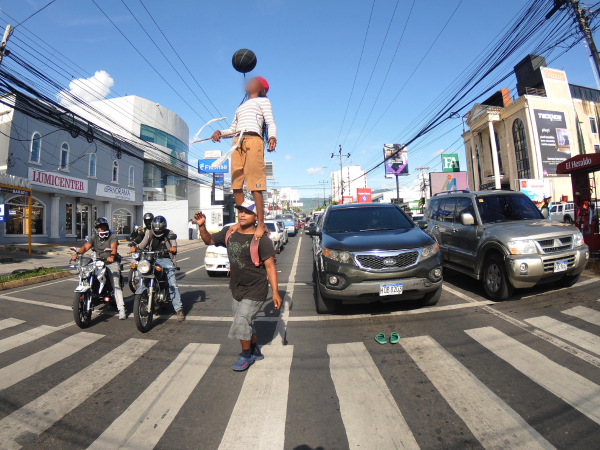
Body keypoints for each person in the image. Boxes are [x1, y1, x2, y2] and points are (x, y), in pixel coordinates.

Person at [195, 200, 282, 372]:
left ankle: (245, 355)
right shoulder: (230, 232)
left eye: (247, 212)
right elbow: (209, 240)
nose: (242, 214)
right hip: (237, 287)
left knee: (242, 321)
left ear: (256, 217)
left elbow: (271, 267)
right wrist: (202, 226)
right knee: (246, 322)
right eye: (240, 211)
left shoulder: (262, 240)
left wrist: (275, 293)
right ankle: (255, 348)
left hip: (256, 289)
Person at [211, 76, 277, 241]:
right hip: (237, 142)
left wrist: (272, 137)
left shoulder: (263, 102)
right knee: (236, 184)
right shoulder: (241, 106)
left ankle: (260, 223)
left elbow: (270, 122)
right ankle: (241, 221)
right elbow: (233, 128)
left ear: (261, 88)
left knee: (255, 184)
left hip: (254, 140)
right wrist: (220, 132)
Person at [131, 216, 185, 322]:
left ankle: (179, 309)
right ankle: (145, 296)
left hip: (165, 258)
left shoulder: (169, 233)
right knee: (141, 272)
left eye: (160, 229)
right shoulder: (150, 233)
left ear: (164, 227)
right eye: (156, 228)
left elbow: (173, 244)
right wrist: (136, 248)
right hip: (151, 258)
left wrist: (173, 248)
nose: (158, 230)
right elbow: (142, 245)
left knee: (172, 283)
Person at [72, 217, 127, 320]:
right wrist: (77, 254)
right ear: (97, 228)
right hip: (97, 261)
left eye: (104, 227)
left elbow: (114, 248)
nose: (102, 229)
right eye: (100, 227)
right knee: (87, 273)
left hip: (111, 262)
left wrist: (112, 256)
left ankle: (121, 309)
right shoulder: (94, 237)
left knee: (115, 284)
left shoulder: (112, 236)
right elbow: (85, 247)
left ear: (107, 226)